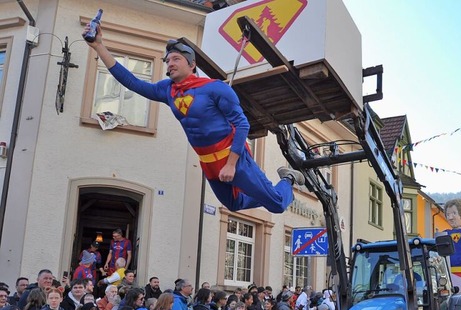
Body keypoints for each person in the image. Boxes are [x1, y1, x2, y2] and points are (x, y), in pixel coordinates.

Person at [83, 27, 306, 214]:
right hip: (208, 162)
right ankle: (268, 194)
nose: (170, 63)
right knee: (233, 204)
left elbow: (242, 125)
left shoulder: (214, 88)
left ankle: (286, 180)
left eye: (176, 59)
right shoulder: (167, 90)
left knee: (276, 205)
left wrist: (231, 164)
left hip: (233, 159)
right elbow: (132, 82)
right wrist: (99, 46)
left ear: (192, 65)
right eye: (167, 60)